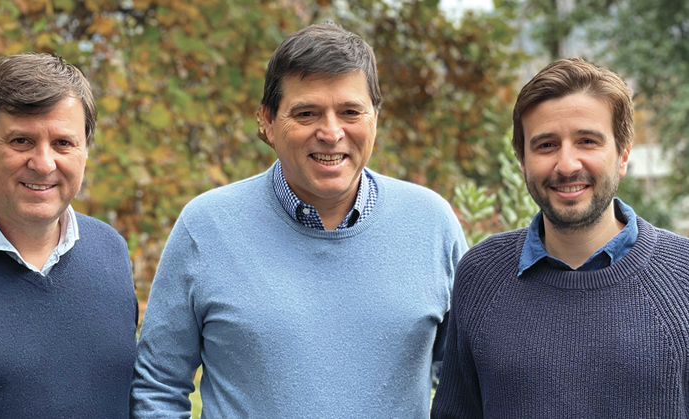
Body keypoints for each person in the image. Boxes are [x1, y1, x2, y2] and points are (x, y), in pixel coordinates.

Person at [131, 23, 467, 418]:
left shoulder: (432, 224)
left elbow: (467, 383)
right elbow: (158, 386)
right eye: (306, 113)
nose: (330, 132)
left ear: (375, 116)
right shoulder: (206, 227)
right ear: (268, 122)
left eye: (350, 112)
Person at [431, 57, 689, 417]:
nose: (567, 165)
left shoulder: (683, 276)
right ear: (522, 161)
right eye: (546, 145)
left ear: (623, 156)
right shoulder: (481, 275)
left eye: (587, 141)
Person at [0, 53, 137, 418]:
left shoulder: (109, 251)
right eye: (21, 141)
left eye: (63, 143)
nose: (44, 163)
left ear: (85, 150)